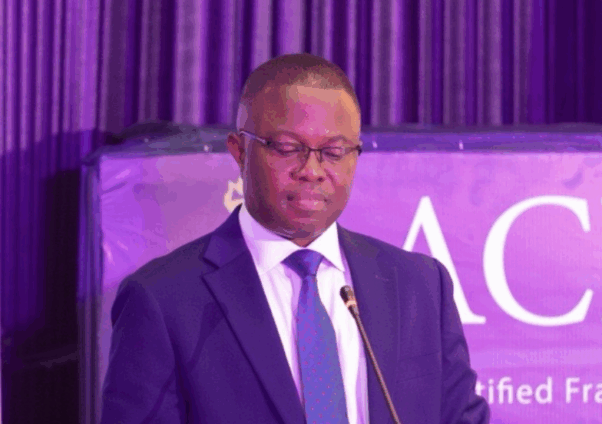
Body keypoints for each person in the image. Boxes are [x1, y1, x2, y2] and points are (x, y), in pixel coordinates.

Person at [100, 53, 490, 424]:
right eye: (288, 148)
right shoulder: (163, 299)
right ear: (240, 151)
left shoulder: (419, 285)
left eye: (334, 152)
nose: (312, 170)